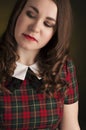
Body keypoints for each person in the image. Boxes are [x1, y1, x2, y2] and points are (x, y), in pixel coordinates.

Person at [0, 0, 80, 130]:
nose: (35, 28)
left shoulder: (64, 67)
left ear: (56, 32)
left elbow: (70, 126)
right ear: (18, 13)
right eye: (30, 14)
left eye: (48, 24)